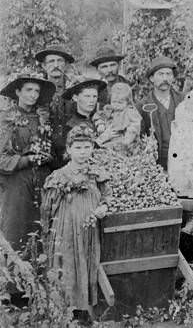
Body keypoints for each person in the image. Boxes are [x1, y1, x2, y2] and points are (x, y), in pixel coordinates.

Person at [40, 124, 109, 323]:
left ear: (92, 149)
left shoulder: (97, 174)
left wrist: (103, 207)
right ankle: (65, 310)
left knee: (88, 263)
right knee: (68, 264)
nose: (82, 152)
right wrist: (51, 231)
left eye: (87, 147)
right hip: (67, 229)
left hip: (89, 230)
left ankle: (84, 309)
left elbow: (106, 196)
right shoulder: (59, 176)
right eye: (78, 148)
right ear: (69, 150)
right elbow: (47, 207)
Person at [0, 70, 56, 251]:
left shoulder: (42, 117)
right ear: (17, 92)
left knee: (42, 231)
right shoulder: (6, 119)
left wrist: (48, 156)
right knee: (15, 233)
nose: (33, 95)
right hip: (16, 183)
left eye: (37, 91)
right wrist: (28, 159)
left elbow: (50, 146)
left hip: (42, 180)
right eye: (28, 90)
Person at [137, 56, 184, 170]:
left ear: (173, 78)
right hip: (158, 163)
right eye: (161, 74)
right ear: (152, 78)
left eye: (169, 74)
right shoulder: (142, 105)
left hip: (183, 160)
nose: (165, 78)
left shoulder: (183, 100)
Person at [61, 77, 106, 169]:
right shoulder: (71, 125)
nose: (92, 100)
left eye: (94, 96)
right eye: (87, 96)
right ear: (75, 98)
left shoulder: (100, 119)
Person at [35, 44, 75, 138]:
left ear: (65, 65)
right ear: (44, 66)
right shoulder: (37, 89)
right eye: (51, 61)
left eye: (59, 61)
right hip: (45, 137)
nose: (56, 65)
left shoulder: (74, 87)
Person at [93, 82, 142, 155]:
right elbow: (99, 116)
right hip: (109, 137)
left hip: (123, 138)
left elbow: (135, 125)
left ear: (127, 102)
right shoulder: (109, 109)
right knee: (103, 149)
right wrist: (100, 124)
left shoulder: (130, 111)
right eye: (114, 102)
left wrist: (128, 137)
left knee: (122, 150)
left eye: (120, 102)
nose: (116, 105)